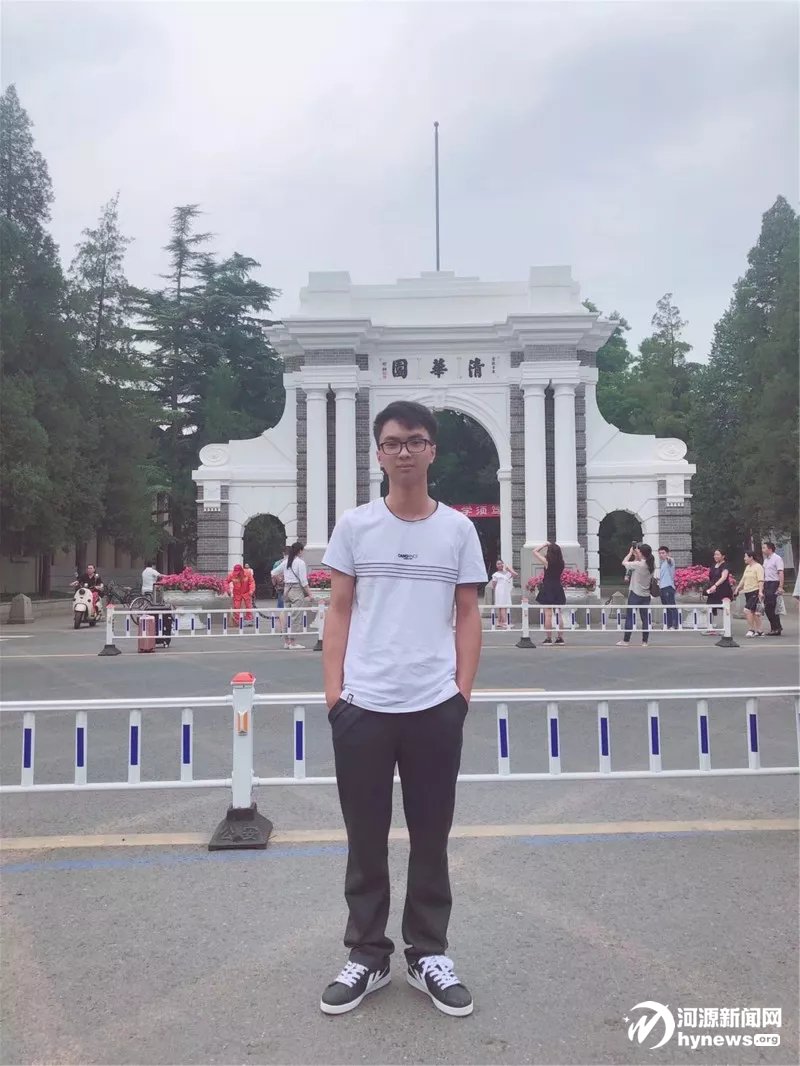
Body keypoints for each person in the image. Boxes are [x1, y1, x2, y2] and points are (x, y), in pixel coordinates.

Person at [320, 400, 485, 1018]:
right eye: (393, 442)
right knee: (365, 837)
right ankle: (367, 953)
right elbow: (339, 610)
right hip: (363, 705)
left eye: (416, 440)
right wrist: (335, 696)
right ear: (379, 454)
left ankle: (428, 952)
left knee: (430, 836)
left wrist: (460, 694)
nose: (404, 451)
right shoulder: (355, 526)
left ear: (432, 450)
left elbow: (467, 613)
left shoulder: (457, 530)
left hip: (434, 704)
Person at [616, 543, 654, 647]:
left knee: (630, 617)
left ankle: (626, 640)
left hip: (635, 594)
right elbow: (641, 561)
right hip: (646, 595)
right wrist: (637, 555)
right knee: (645, 619)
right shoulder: (651, 564)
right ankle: (645, 641)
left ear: (641, 553)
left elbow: (624, 562)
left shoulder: (638, 565)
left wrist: (630, 553)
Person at [532, 542, 566, 645]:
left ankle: (548, 638)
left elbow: (534, 551)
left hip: (548, 587)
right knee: (559, 613)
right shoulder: (562, 563)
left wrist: (544, 545)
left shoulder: (547, 562)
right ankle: (560, 638)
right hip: (558, 587)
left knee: (548, 614)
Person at [283, 542, 313, 649]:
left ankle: (286, 641)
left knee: (287, 616)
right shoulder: (300, 562)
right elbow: (304, 581)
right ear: (300, 550)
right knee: (296, 616)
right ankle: (293, 642)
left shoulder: (286, 561)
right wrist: (310, 594)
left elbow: (274, 572)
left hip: (286, 589)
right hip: (296, 590)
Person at [734, 550, 765, 638]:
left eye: (746, 556)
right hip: (748, 592)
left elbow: (761, 580)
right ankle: (760, 631)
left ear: (751, 557)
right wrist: (737, 588)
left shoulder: (758, 567)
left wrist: (760, 591)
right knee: (754, 612)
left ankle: (751, 630)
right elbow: (743, 579)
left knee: (747, 610)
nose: (744, 558)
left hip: (755, 591)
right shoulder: (747, 567)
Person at [704, 549, 733, 634]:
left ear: (723, 556)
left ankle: (726, 628)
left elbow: (723, 577)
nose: (715, 556)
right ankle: (710, 628)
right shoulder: (713, 565)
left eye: (717, 554)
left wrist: (715, 585)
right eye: (715, 554)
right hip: (713, 590)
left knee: (724, 608)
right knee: (709, 607)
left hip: (723, 589)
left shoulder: (725, 565)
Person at [761, 541, 785, 637]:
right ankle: (775, 627)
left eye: (764, 548)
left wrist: (780, 586)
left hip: (774, 583)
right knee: (768, 607)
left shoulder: (777, 558)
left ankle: (776, 628)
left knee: (771, 606)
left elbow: (780, 572)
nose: (762, 550)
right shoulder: (766, 560)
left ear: (770, 549)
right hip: (767, 583)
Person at [226, 563, 255, 627]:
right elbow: (226, 582)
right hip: (237, 593)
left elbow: (252, 582)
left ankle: (249, 620)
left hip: (246, 592)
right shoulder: (231, 575)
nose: (237, 574)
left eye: (238, 573)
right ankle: (237, 621)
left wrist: (251, 590)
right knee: (236, 607)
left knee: (248, 606)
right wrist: (228, 590)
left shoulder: (248, 573)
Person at [490, 559, 516, 629]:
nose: (500, 565)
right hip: (499, 591)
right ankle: (505, 622)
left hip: (506, 591)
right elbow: (494, 585)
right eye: (498, 564)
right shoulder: (495, 575)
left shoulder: (507, 573)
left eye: (501, 563)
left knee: (502, 606)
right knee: (502, 606)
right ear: (496, 565)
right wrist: (497, 592)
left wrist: (509, 568)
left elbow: (515, 574)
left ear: (503, 564)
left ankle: (499, 622)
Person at [657, 546, 679, 630]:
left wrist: (668, 557)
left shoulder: (670, 561)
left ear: (667, 553)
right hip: (662, 587)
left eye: (663, 553)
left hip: (669, 587)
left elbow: (670, 560)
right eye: (660, 553)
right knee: (666, 607)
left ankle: (675, 625)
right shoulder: (662, 563)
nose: (661, 555)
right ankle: (669, 624)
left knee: (671, 606)